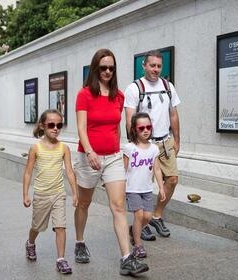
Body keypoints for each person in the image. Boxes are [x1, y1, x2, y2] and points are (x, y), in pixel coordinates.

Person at [74, 48, 149, 276]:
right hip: (90, 156)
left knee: (118, 206)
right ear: (96, 68)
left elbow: (119, 127)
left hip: (113, 157)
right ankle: (79, 241)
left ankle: (127, 258)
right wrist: (90, 152)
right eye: (103, 67)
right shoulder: (84, 94)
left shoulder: (119, 96)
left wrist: (134, 147)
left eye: (111, 68)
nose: (107, 71)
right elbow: (81, 127)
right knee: (84, 203)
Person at [124, 50, 181, 239]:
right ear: (144, 65)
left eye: (158, 66)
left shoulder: (167, 86)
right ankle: (141, 224)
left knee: (172, 179)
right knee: (143, 187)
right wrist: (134, 146)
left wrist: (177, 140)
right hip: (144, 145)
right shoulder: (134, 88)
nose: (155, 69)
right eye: (152, 65)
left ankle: (156, 215)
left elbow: (173, 114)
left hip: (165, 143)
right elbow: (129, 119)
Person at [22, 109, 78, 275]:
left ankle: (61, 259)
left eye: (59, 125)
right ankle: (30, 243)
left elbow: (69, 171)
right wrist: (25, 194)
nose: (55, 128)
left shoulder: (64, 148)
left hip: (58, 194)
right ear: (42, 126)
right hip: (41, 194)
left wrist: (75, 192)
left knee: (60, 226)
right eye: (51, 125)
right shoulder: (35, 148)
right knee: (37, 226)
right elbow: (27, 172)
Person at [123, 112, 166, 258]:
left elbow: (157, 169)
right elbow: (123, 168)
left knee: (147, 217)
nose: (146, 130)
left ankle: (133, 231)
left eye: (148, 127)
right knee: (139, 215)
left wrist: (161, 187)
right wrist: (121, 187)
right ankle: (138, 244)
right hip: (132, 189)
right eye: (141, 128)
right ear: (134, 129)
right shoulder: (129, 148)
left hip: (147, 189)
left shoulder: (154, 148)